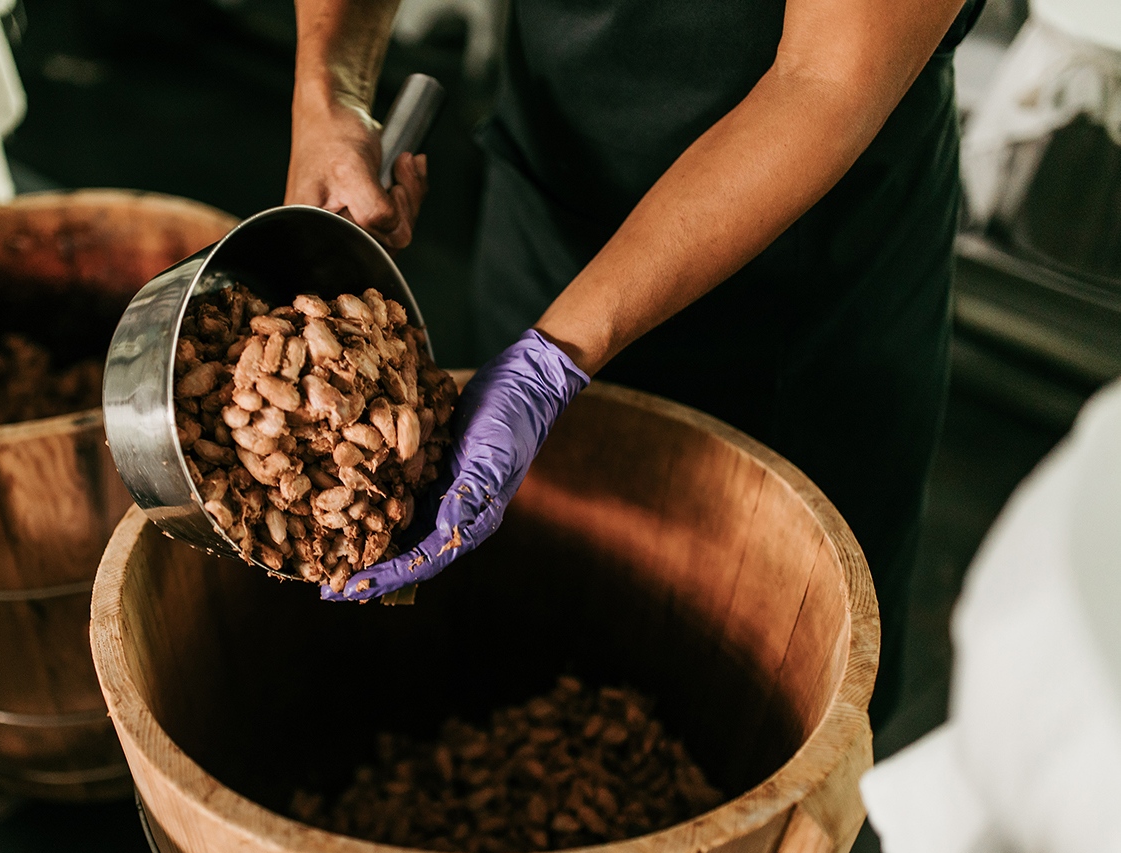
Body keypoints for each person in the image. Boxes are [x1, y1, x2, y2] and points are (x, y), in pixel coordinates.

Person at [288, 0, 985, 726]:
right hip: (553, 196)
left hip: (796, 274)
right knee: (508, 642)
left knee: (747, 700)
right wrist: (328, 93)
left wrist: (548, 364)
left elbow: (823, 82)